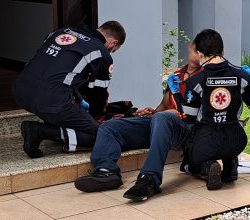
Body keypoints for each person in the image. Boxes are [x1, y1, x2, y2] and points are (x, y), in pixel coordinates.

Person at [73, 42, 203, 198]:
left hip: (183, 129)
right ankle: (106, 171)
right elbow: (164, 104)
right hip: (160, 122)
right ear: (190, 48)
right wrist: (153, 111)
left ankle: (149, 179)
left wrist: (168, 114)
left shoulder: (205, 77)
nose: (199, 53)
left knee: (162, 118)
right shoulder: (177, 76)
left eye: (202, 51)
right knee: (110, 127)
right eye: (196, 48)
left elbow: (199, 115)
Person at [12, 21, 126, 158]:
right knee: (101, 135)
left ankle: (54, 122)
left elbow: (57, 71)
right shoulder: (101, 53)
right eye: (114, 50)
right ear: (114, 43)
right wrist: (94, 116)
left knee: (64, 101)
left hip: (21, 92)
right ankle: (40, 131)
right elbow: (98, 95)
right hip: (50, 101)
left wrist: (78, 100)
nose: (111, 52)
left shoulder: (61, 32)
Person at [174, 29, 250, 191]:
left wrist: (176, 93)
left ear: (200, 54)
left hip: (206, 142)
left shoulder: (196, 81)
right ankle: (230, 164)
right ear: (222, 51)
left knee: (190, 161)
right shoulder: (241, 77)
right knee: (227, 144)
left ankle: (209, 167)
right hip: (237, 141)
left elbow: (187, 118)